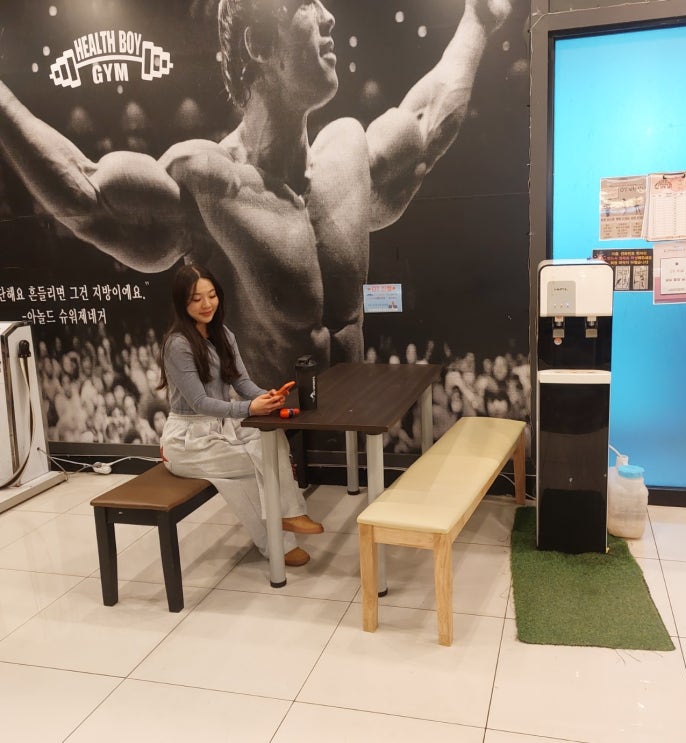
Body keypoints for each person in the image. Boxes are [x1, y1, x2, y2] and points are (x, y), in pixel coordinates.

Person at [0, 0, 512, 390]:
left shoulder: (347, 154)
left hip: (353, 440)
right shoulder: (209, 183)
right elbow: (88, 198)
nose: (329, 16)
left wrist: (477, 22)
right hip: (263, 449)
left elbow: (426, 127)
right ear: (259, 45)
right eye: (306, 4)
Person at [157, 263, 324, 567]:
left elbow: (242, 383)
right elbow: (200, 403)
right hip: (186, 441)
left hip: (221, 429)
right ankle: (282, 534)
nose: (206, 304)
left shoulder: (223, 334)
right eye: (196, 299)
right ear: (182, 302)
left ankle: (286, 524)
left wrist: (266, 396)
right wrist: (249, 408)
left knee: (270, 441)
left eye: (211, 295)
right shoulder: (177, 344)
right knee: (255, 463)